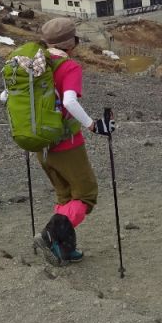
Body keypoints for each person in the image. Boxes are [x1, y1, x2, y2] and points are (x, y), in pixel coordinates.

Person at [27, 17, 106, 266]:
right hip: (66, 143)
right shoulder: (68, 66)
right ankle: (49, 236)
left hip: (40, 143)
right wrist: (93, 125)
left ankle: (65, 250)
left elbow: (4, 95)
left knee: (65, 197)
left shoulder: (31, 63)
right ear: (72, 42)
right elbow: (70, 102)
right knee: (85, 195)